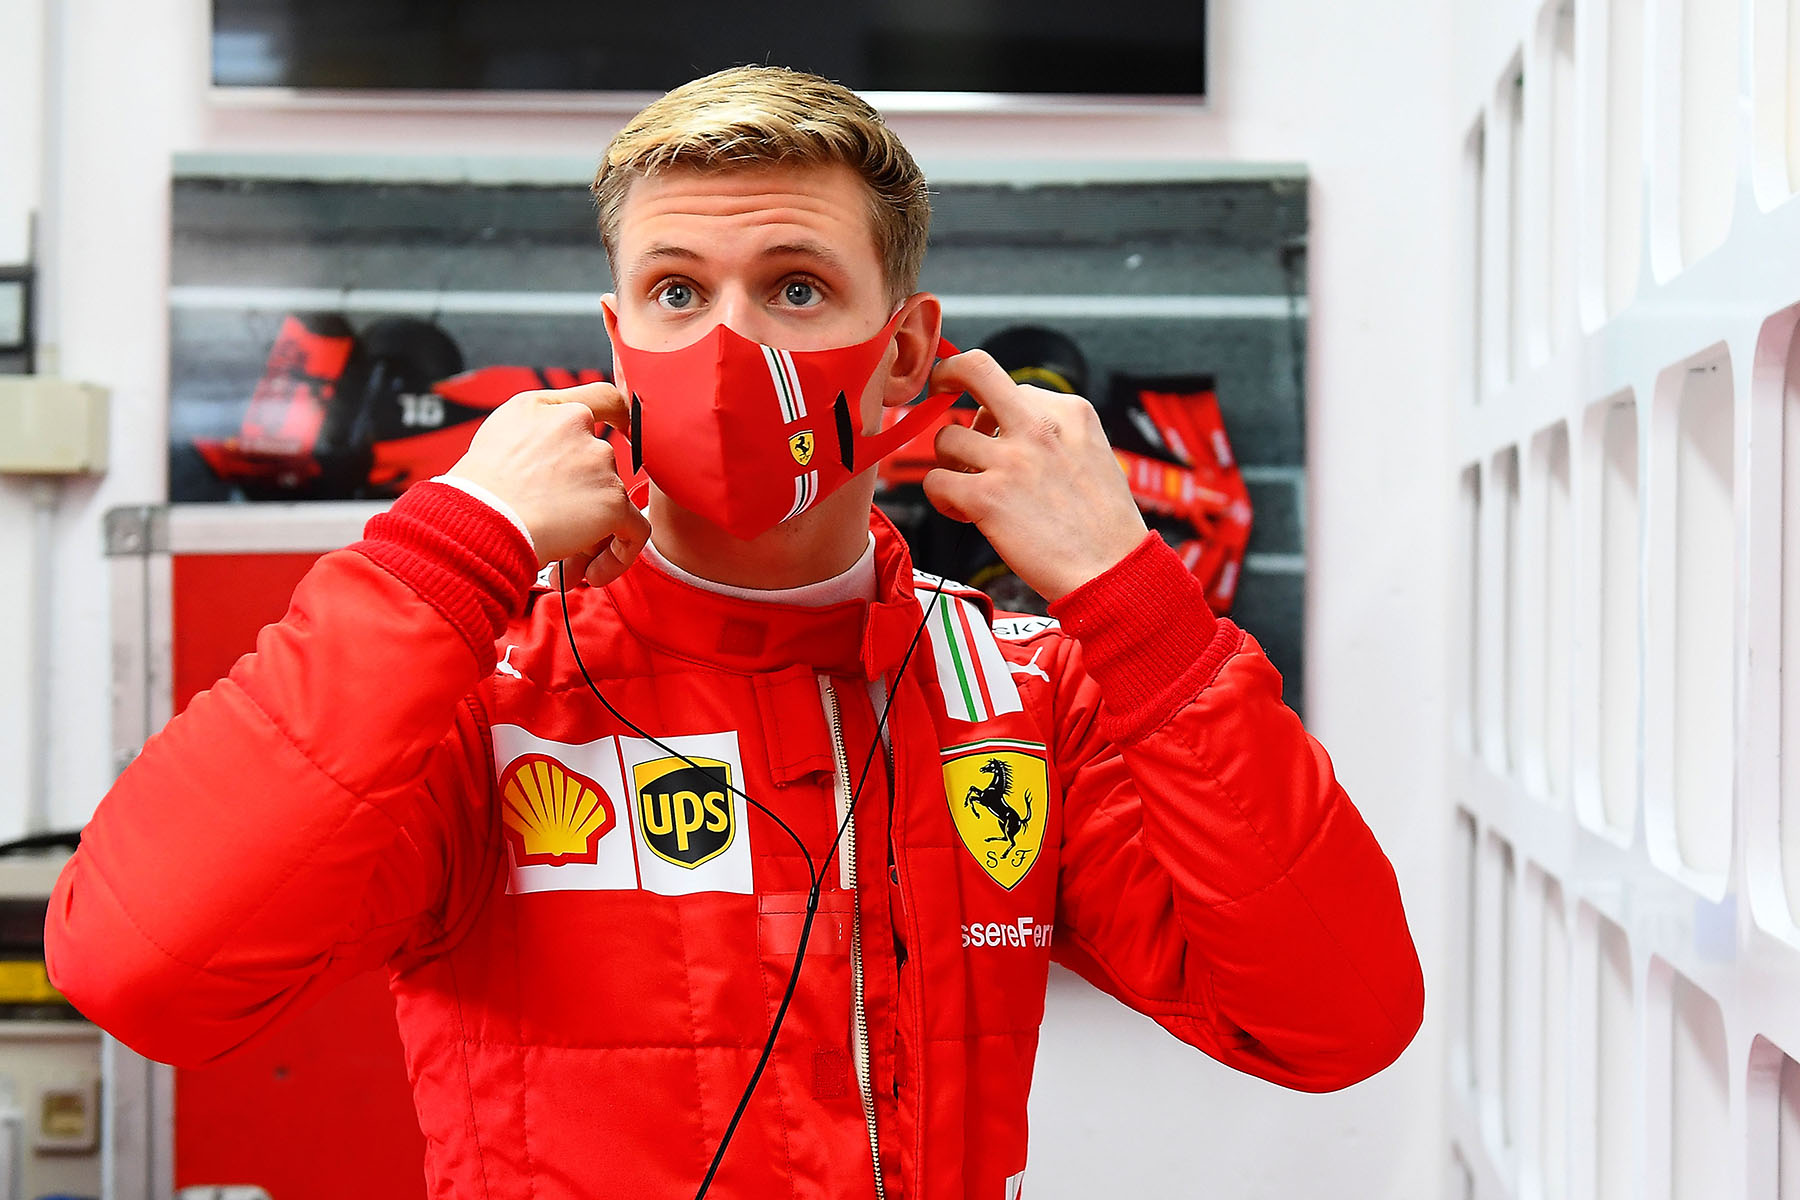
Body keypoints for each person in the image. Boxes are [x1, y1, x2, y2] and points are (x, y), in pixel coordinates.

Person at [45, 65, 1423, 1200]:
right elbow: (141, 975)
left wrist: (1132, 593)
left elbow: (1336, 1021)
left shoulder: (1020, 694)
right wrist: (450, 549)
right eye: (677, 292)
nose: (726, 343)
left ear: (905, 352)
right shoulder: (490, 692)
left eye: (795, 287)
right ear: (617, 340)